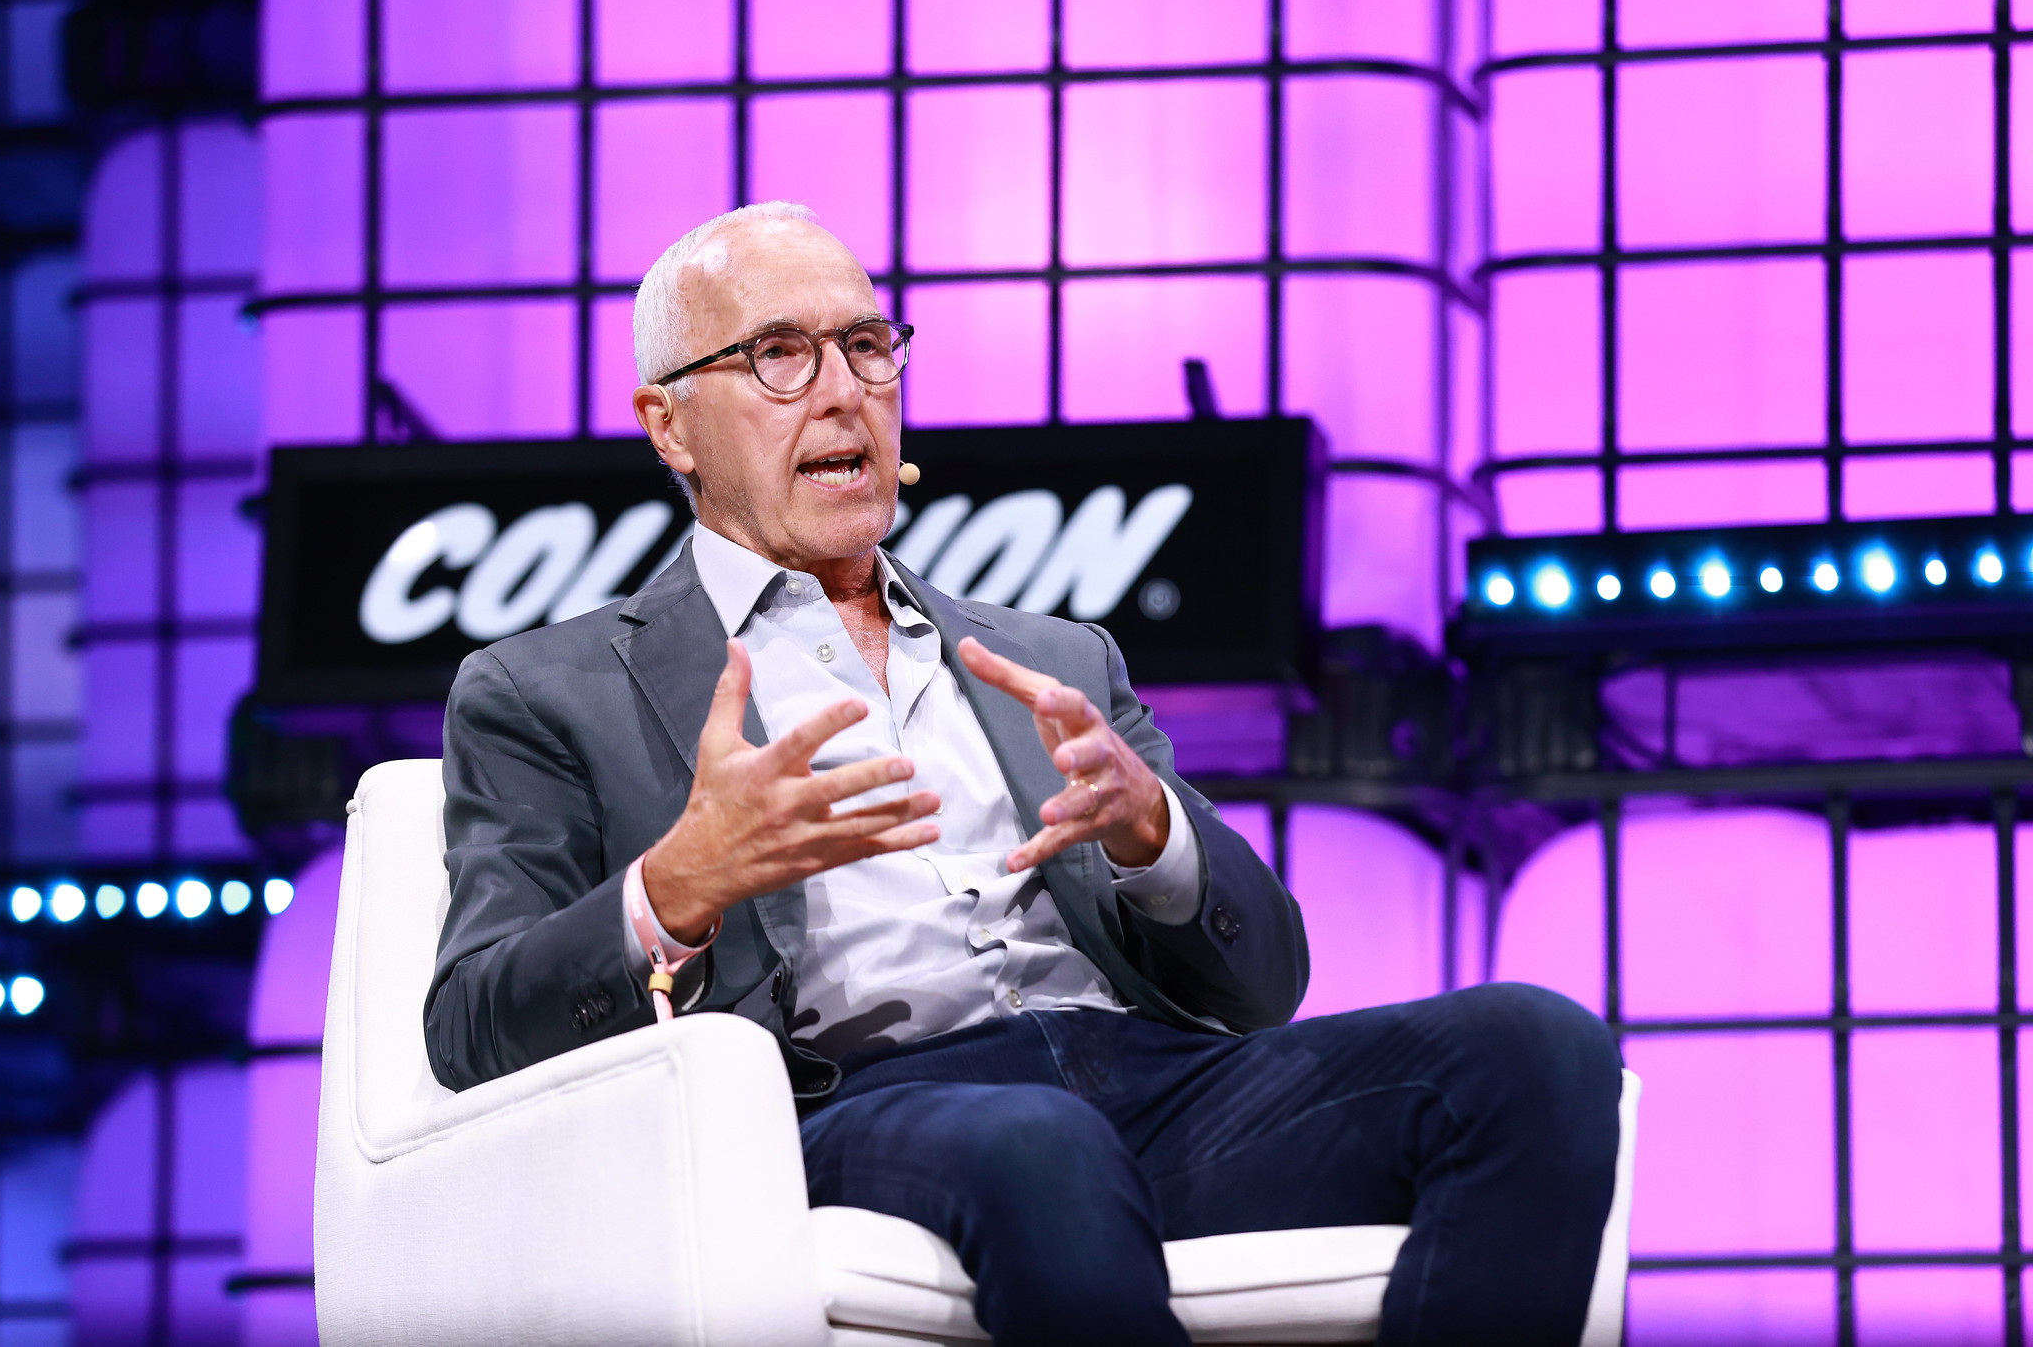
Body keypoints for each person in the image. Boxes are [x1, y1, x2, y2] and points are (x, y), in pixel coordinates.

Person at [426, 201, 1623, 1347]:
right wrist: (678, 886)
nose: (844, 389)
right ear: (669, 423)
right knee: (1035, 1140)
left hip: (1152, 1081)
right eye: (779, 355)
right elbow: (473, 1028)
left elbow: (1269, 983)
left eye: (864, 345)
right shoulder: (545, 691)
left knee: (1531, 1049)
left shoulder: (1050, 659)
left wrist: (1155, 837)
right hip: (855, 1106)